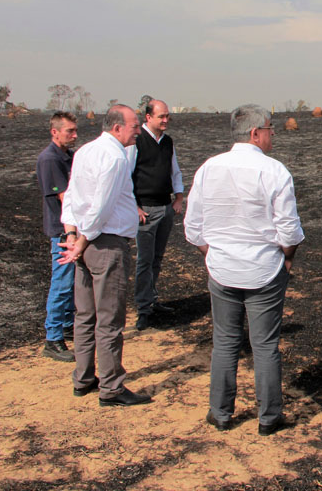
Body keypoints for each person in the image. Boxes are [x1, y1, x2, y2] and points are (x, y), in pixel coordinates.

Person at [184, 104, 304, 436]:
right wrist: (287, 257)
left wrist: (213, 253)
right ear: (255, 133)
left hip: (222, 270)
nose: (272, 135)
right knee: (265, 345)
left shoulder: (209, 168)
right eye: (270, 129)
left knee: (224, 341)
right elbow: (290, 231)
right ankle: (269, 417)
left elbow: (193, 228)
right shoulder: (275, 171)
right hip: (264, 269)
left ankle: (220, 413)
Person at [58, 105, 151, 407]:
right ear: (117, 128)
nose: (138, 131)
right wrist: (82, 240)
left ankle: (83, 379)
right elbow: (102, 206)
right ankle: (111, 388)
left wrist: (72, 235)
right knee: (109, 319)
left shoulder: (85, 151)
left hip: (85, 242)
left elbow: (71, 196)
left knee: (85, 315)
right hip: (105, 244)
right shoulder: (114, 157)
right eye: (134, 126)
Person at [126, 99, 184, 331]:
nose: (165, 120)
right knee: (144, 260)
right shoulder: (136, 142)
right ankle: (143, 309)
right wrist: (135, 206)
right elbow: (126, 176)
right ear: (148, 117)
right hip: (145, 211)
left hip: (165, 207)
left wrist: (178, 198)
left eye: (167, 116)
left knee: (157, 259)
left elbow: (175, 170)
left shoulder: (168, 142)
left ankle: (152, 299)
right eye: (161, 116)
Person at [36, 111, 78, 361]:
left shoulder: (68, 156)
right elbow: (65, 197)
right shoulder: (49, 159)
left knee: (70, 282)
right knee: (61, 283)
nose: (74, 135)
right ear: (55, 132)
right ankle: (52, 338)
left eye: (74, 131)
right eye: (69, 131)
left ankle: (66, 325)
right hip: (62, 230)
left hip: (70, 228)